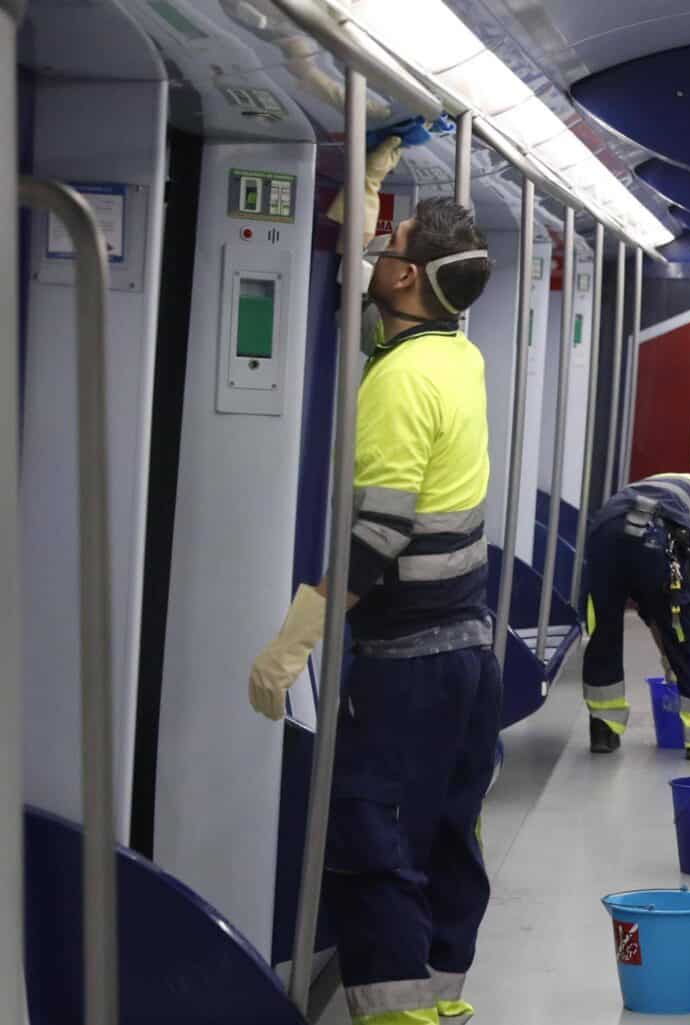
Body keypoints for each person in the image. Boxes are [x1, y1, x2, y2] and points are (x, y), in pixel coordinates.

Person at [246, 191, 498, 1025]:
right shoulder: (459, 357)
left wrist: (298, 636)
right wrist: (359, 227)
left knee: (372, 840)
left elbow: (380, 531)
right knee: (444, 836)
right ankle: (438, 1004)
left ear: (406, 276)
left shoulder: (397, 384)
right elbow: (390, 318)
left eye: (386, 248)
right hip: (468, 651)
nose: (378, 257)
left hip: (407, 666)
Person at [580, 472, 690, 758]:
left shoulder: (667, 483)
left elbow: (652, 605)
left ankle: (603, 729)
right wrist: (676, 634)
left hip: (604, 530)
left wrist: (665, 648)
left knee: (603, 631)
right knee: (685, 632)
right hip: (654, 533)